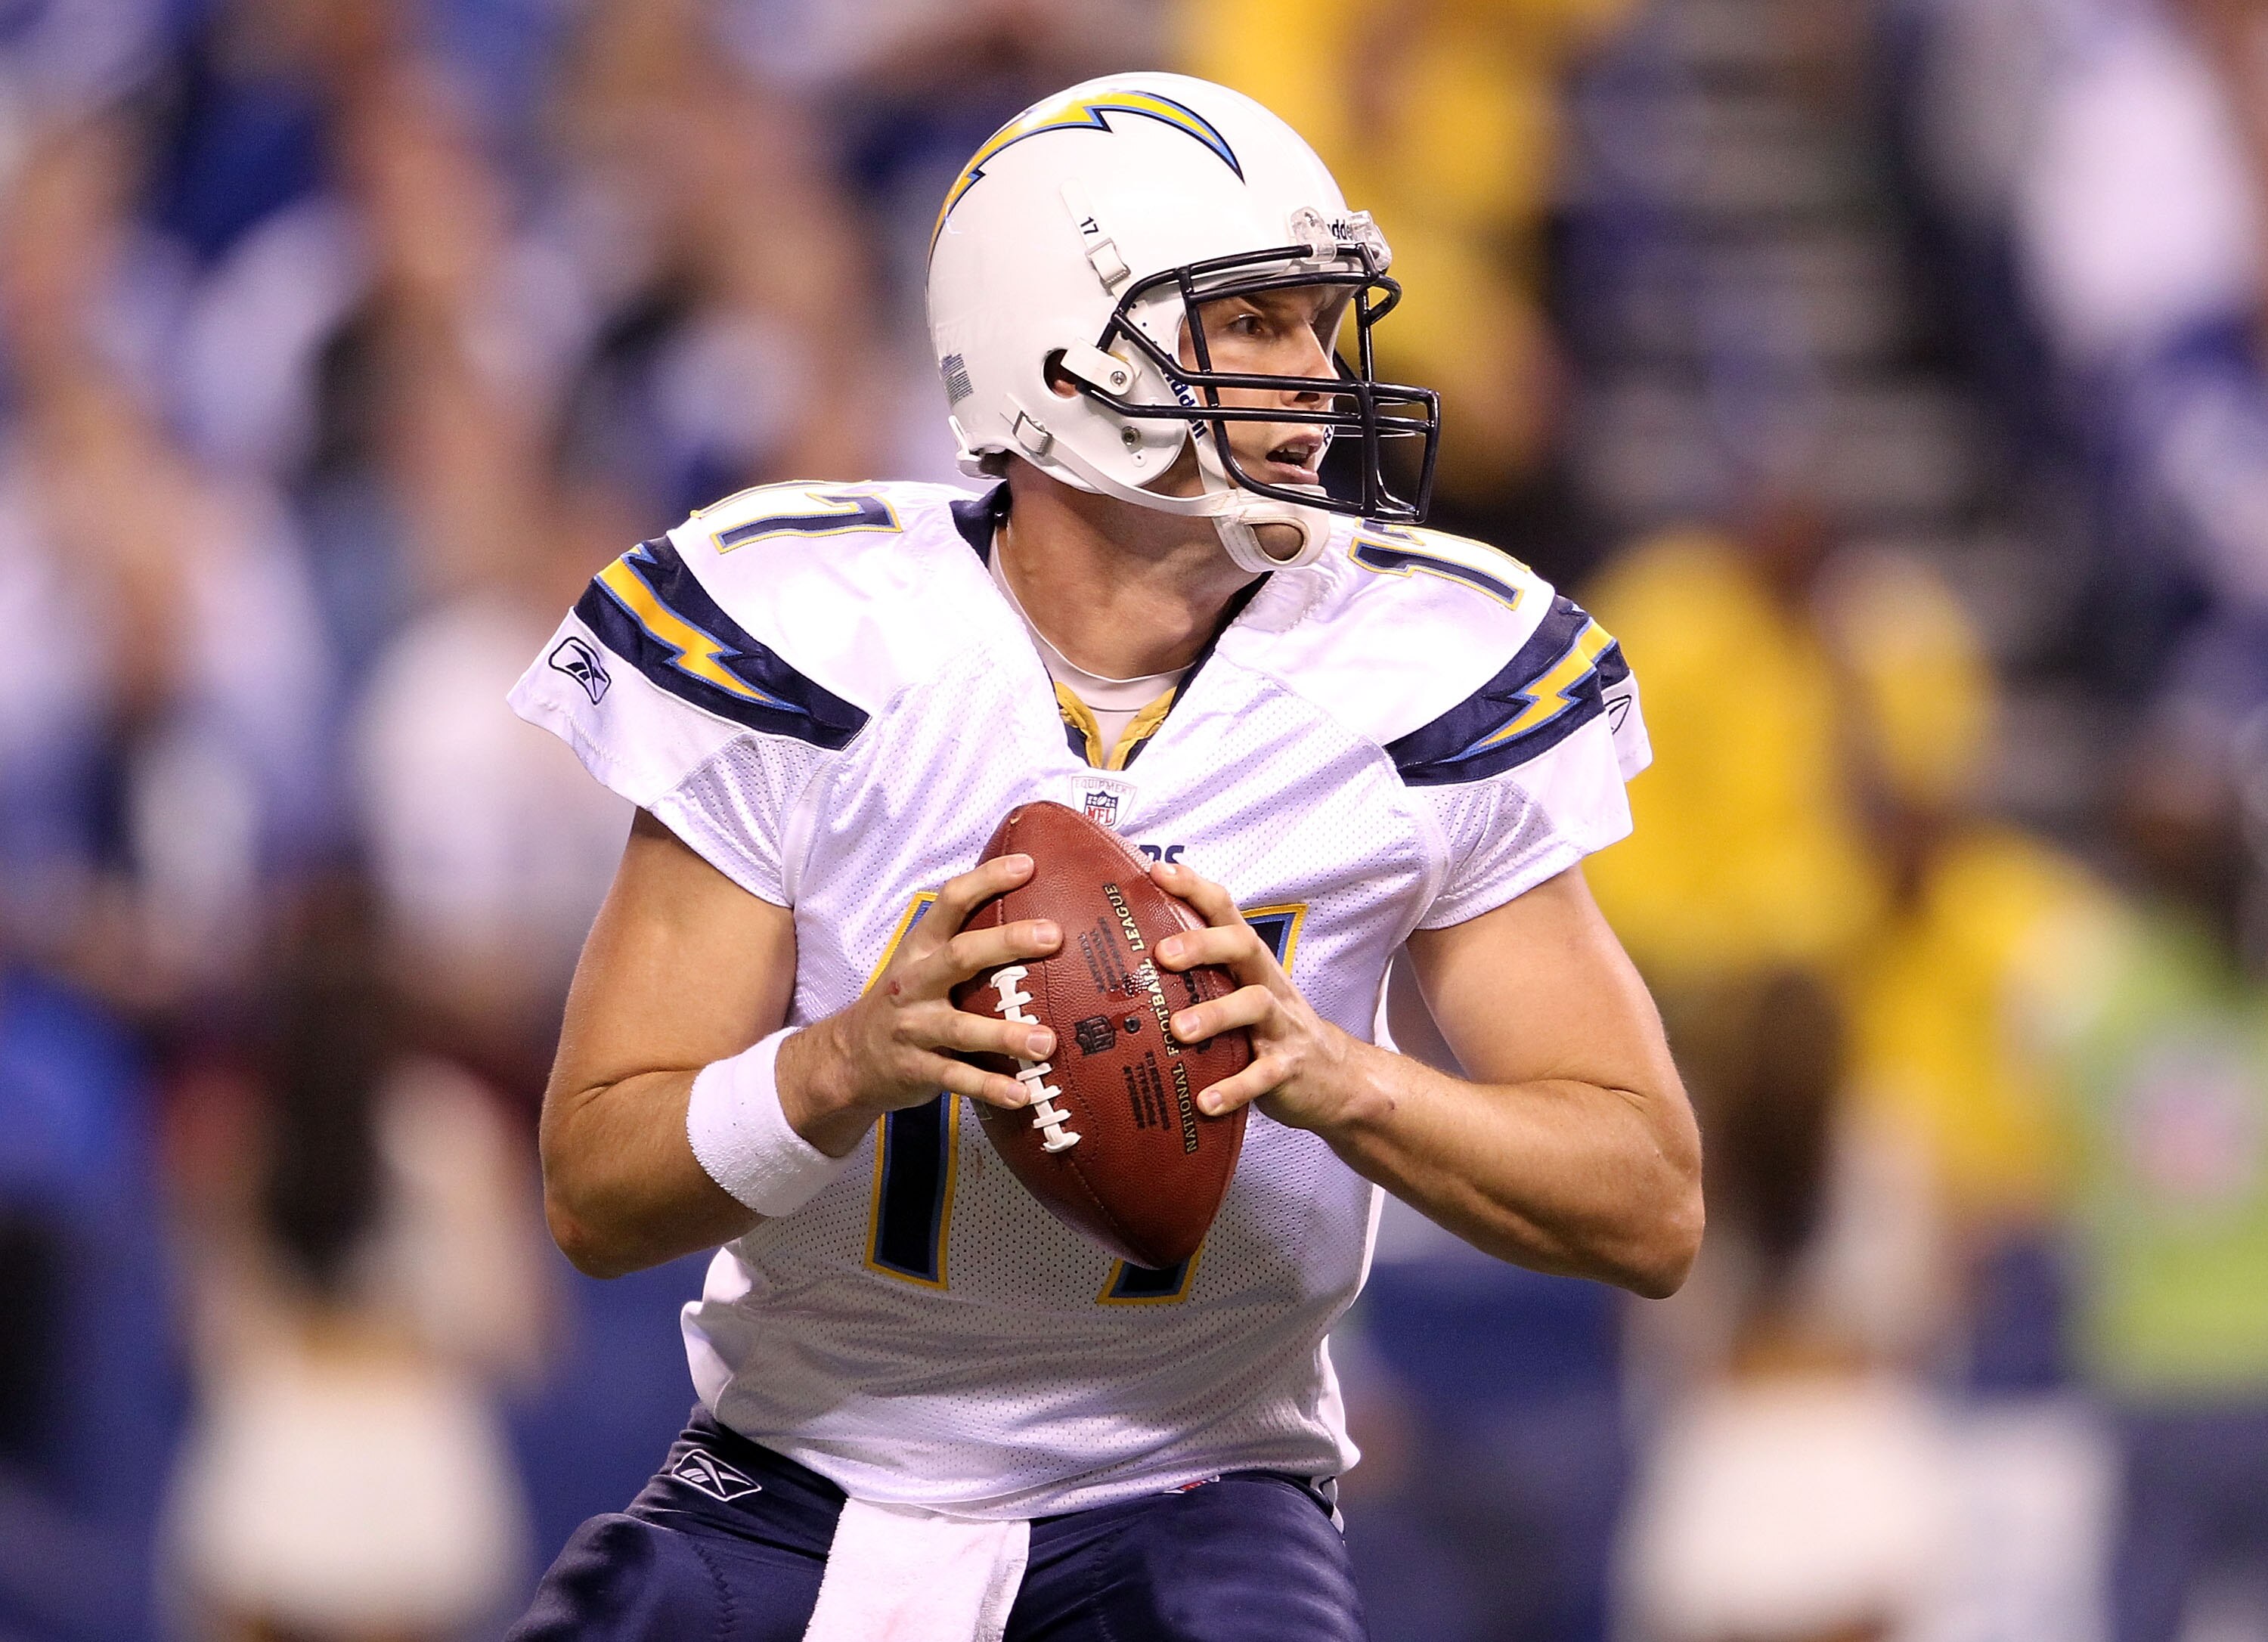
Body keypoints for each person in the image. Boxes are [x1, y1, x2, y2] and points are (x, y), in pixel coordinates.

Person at [504, 71, 1701, 1640]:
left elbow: (1649, 1203)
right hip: (788, 1478)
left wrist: (1344, 1079)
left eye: (1317, 322)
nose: (1317, 373)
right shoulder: (813, 635)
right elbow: (596, 1189)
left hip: (1195, 1486)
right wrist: (844, 1061)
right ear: (1056, 352)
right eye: (1254, 323)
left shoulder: (1415, 664)